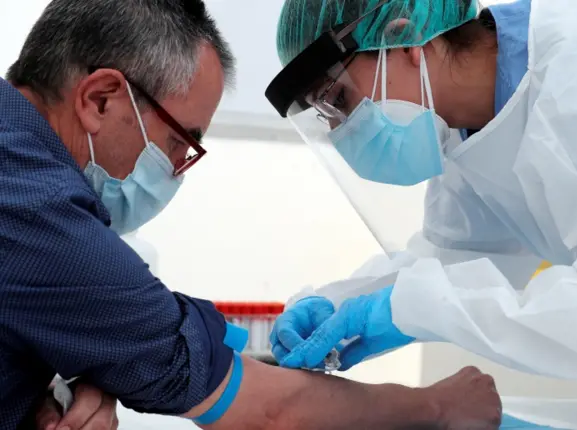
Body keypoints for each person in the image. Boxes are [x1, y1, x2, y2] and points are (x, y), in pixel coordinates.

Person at [0, 0, 504, 429]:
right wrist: (436, 406)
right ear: (100, 99)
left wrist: (54, 383)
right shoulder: (37, 211)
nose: (177, 169)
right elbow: (268, 411)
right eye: (180, 142)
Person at [265, 0, 577, 422]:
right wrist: (338, 302)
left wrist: (410, 309)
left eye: (338, 98)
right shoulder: (464, 134)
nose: (340, 129)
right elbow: (456, 257)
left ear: (402, 37)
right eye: (324, 113)